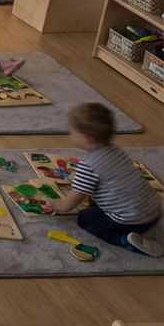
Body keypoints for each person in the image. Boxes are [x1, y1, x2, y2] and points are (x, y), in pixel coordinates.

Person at [45, 103, 164, 257]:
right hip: (155, 211)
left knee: (85, 219)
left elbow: (70, 203)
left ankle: (124, 240)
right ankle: (135, 228)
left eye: (72, 132)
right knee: (97, 203)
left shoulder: (88, 165)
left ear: (86, 138)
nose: (70, 135)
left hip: (131, 221)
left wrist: (57, 204)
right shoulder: (117, 150)